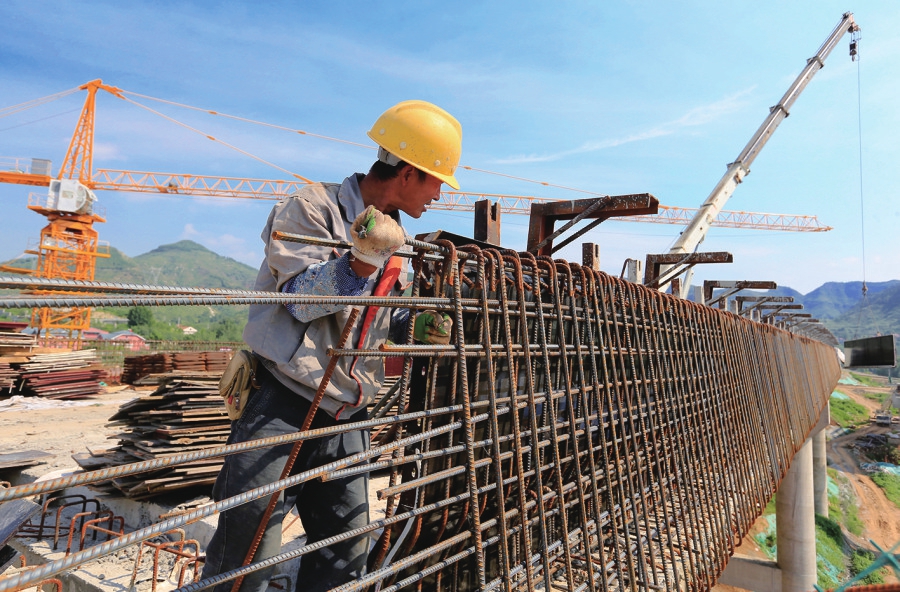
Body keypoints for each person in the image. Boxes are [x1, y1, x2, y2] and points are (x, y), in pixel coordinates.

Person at [202, 100, 463, 592]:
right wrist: (359, 262)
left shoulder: (400, 241)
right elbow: (300, 302)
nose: (438, 195)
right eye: (435, 182)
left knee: (346, 550)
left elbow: (380, 322)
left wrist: (417, 326)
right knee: (249, 548)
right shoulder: (311, 208)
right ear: (407, 173)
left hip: (348, 412)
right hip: (283, 398)